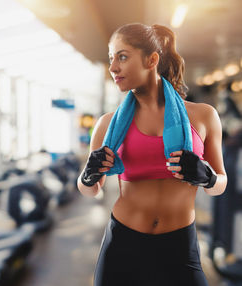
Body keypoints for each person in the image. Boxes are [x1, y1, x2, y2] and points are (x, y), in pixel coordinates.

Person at [77, 23, 227, 286]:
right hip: (122, 246)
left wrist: (209, 178)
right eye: (112, 59)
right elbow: (91, 189)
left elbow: (219, 186)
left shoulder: (203, 116)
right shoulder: (107, 124)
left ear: (152, 60)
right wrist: (88, 177)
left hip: (179, 247)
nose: (113, 68)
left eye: (122, 57)